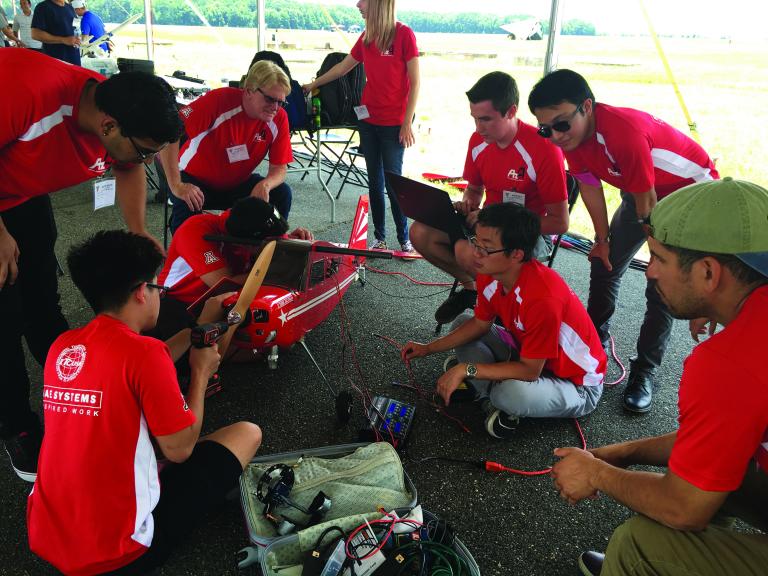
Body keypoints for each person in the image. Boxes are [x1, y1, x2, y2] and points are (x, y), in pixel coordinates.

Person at [551, 177, 768, 576]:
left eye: (658, 258)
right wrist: (624, 454)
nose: (649, 272)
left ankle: (640, 566)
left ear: (708, 273)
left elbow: (682, 507)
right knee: (709, 469)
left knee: (640, 543)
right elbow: (723, 436)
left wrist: (596, 472)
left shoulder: (729, 361)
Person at [27, 229, 263, 575]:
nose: (159, 295)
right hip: (121, 555)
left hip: (48, 536)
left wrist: (194, 331)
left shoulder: (64, 346)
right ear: (141, 292)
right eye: (158, 288)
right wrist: (200, 374)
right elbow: (180, 448)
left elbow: (135, 364)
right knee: (247, 433)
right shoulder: (144, 353)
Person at [0, 48, 182, 482]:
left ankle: (80, 388)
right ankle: (17, 426)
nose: (142, 161)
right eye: (143, 152)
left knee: (43, 302)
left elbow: (127, 166)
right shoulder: (26, 91)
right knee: (5, 318)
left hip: (23, 194)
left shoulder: (119, 112)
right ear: (108, 126)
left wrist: (137, 228)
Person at [528, 69, 719, 413]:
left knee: (661, 285)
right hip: (641, 194)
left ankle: (645, 371)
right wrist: (601, 239)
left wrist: (660, 261)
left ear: (587, 107)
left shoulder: (623, 133)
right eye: (546, 129)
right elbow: (589, 186)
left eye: (561, 124)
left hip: (687, 195)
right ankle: (594, 347)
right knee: (604, 263)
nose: (555, 136)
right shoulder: (573, 139)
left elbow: (649, 207)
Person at [402, 203, 606, 439]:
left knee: (509, 393)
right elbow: (479, 324)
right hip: (530, 357)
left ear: (517, 254)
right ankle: (488, 392)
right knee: (462, 322)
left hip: (577, 384)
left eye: (486, 248)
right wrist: (427, 349)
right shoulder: (490, 273)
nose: (475, 253)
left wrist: (467, 368)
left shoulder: (543, 298)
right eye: (475, 242)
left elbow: (530, 371)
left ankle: (490, 396)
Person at [410, 71, 569, 325]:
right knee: (420, 232)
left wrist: (496, 225)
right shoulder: (478, 142)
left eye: (486, 119)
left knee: (470, 252)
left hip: (528, 236)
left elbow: (560, 223)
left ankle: (495, 306)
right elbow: (474, 189)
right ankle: (474, 288)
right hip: (485, 228)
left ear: (511, 111)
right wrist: (468, 204)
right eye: (474, 119)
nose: (478, 128)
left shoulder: (543, 149)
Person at [302, 0, 420, 253]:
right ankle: (379, 238)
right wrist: (314, 84)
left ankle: (405, 239)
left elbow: (416, 83)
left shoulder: (403, 34)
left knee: (394, 183)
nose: (357, 4)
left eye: (363, 1)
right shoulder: (367, 37)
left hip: (393, 125)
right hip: (368, 122)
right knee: (374, 183)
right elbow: (342, 68)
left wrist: (406, 123)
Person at [160, 60, 294, 234]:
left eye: (281, 102)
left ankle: (265, 250)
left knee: (281, 193)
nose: (275, 107)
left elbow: (279, 168)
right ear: (249, 91)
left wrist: (266, 185)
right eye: (269, 99)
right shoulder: (218, 100)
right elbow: (168, 133)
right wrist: (177, 185)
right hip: (194, 179)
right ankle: (188, 256)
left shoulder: (279, 118)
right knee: (187, 215)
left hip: (238, 183)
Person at [154, 196, 312, 338]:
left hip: (224, 303)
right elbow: (223, 284)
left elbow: (277, 243)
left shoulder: (250, 224)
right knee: (190, 348)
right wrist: (274, 267)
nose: (271, 245)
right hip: (176, 302)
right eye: (269, 243)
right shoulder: (195, 229)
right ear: (239, 243)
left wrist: (296, 244)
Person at [31, 0, 80, 65]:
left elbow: (74, 28)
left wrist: (78, 38)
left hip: (74, 58)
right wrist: (63, 40)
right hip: (56, 60)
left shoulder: (70, 7)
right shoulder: (43, 7)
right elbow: (35, 34)